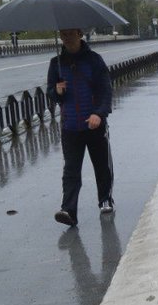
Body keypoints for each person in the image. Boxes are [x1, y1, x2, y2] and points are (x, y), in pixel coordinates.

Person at [47, 28, 114, 226]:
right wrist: (57, 91)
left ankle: (105, 199)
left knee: (101, 165)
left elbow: (106, 90)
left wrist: (99, 114)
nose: (66, 38)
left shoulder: (94, 60)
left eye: (70, 34)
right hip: (70, 125)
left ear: (80, 34)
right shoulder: (56, 64)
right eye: (63, 34)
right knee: (71, 170)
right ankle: (68, 210)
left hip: (94, 124)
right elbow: (50, 92)